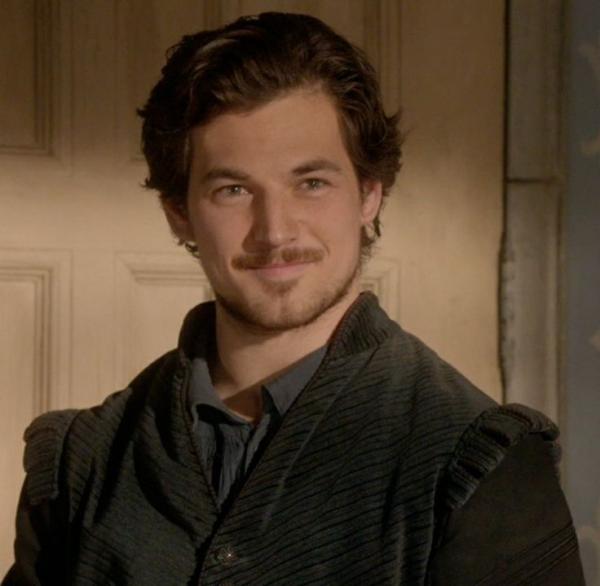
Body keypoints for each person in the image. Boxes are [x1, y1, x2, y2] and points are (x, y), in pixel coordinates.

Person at [4, 12, 585, 585]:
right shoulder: (81, 463)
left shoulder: (479, 462)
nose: (276, 231)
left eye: (311, 183)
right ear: (179, 213)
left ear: (369, 195)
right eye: (234, 189)